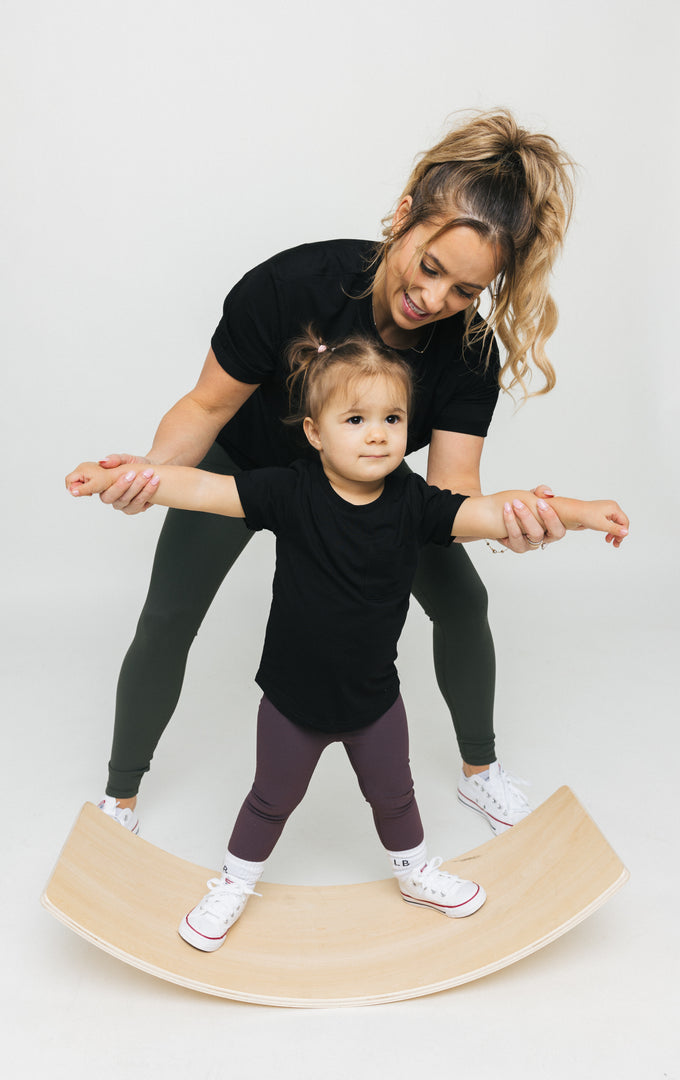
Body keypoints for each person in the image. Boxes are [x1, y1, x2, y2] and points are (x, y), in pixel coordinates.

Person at [65, 108, 577, 838]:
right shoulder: (289, 285)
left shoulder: (466, 351)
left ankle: (481, 774)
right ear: (404, 216)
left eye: (465, 291)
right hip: (248, 465)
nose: (435, 301)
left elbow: (454, 493)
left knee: (463, 602)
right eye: (430, 268)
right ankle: (118, 801)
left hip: (374, 489)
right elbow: (207, 405)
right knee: (170, 614)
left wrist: (507, 527)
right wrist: (151, 473)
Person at [68, 332, 628, 951]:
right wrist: (124, 474)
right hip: (292, 701)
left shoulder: (413, 501)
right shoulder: (288, 489)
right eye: (356, 420)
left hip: (374, 702)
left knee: (395, 798)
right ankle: (233, 883)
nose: (378, 434)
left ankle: (415, 872)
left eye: (392, 419)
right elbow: (203, 490)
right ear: (315, 432)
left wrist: (581, 511)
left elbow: (492, 512)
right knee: (268, 802)